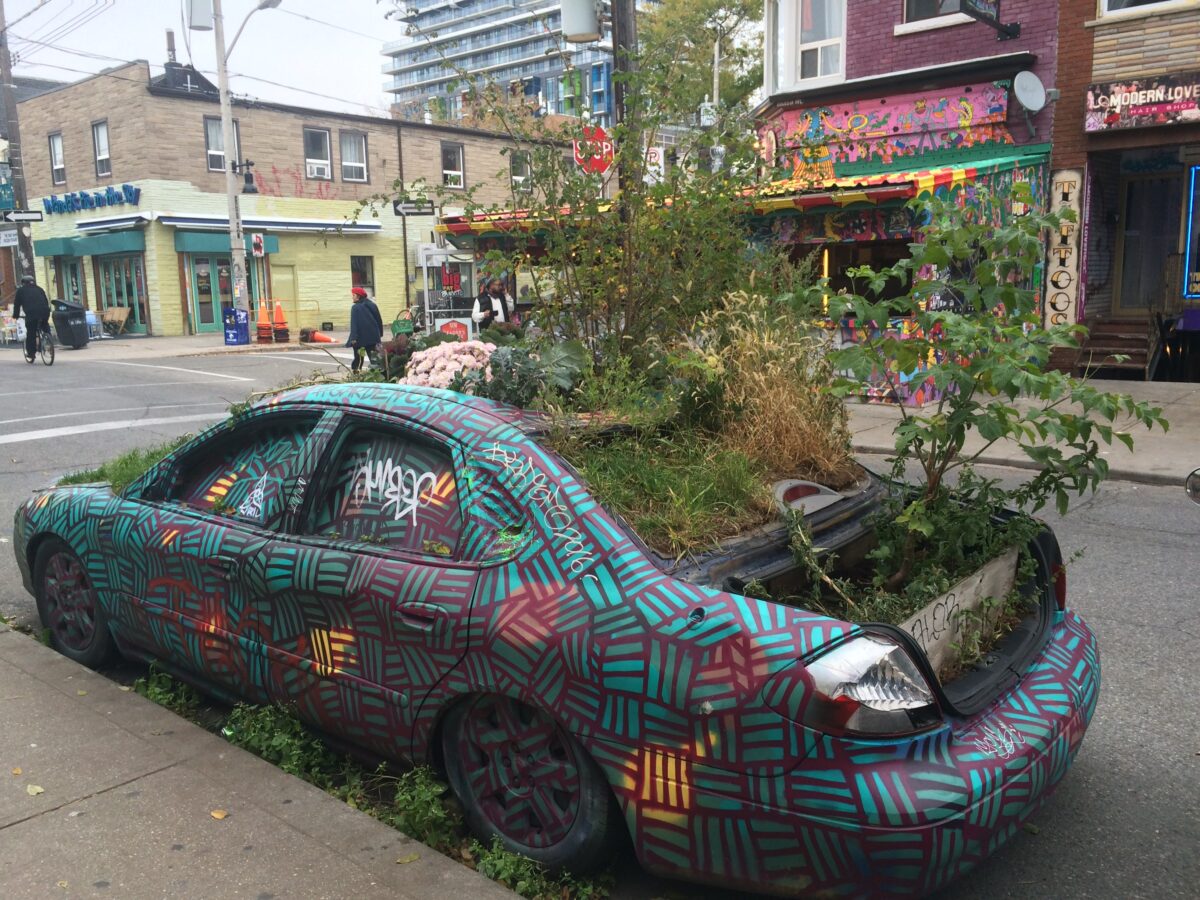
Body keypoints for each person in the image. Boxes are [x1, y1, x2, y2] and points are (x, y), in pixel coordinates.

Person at [12, 274, 51, 362]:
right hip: (45, 312)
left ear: (23, 283)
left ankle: (31, 353)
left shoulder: (21, 290)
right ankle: (49, 340)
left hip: (32, 314)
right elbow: (45, 301)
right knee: (45, 325)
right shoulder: (39, 289)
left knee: (31, 332)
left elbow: (17, 305)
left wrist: (16, 315)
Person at [346, 286, 383, 372]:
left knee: (358, 359)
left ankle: (356, 373)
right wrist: (380, 333)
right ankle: (378, 373)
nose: (352, 297)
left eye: (353, 295)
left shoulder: (355, 308)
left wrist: (353, 338)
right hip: (373, 337)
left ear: (358, 296)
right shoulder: (372, 305)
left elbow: (354, 324)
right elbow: (379, 320)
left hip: (360, 338)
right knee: (374, 358)